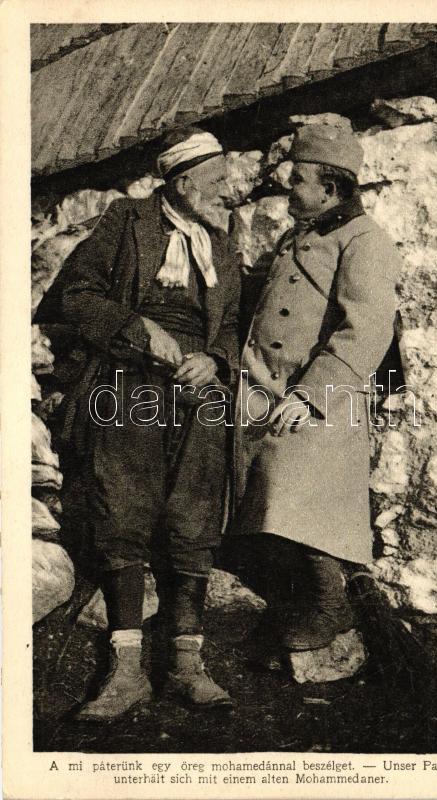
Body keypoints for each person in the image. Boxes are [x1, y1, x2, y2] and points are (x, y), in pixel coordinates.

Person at [38, 127, 240, 718]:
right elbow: (69, 298)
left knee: (192, 515)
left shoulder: (222, 244)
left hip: (196, 393)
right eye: (216, 182)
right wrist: (137, 329)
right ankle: (126, 670)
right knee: (122, 510)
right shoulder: (127, 221)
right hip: (128, 383)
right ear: (182, 184)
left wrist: (217, 359)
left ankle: (185, 664)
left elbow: (230, 325)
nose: (226, 193)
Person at [232, 124, 402, 667]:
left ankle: (331, 604)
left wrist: (312, 396)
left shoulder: (365, 241)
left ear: (331, 188)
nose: (289, 192)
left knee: (301, 504)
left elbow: (367, 327)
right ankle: (295, 606)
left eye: (299, 182)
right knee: (256, 502)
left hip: (324, 396)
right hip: (267, 388)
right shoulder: (298, 235)